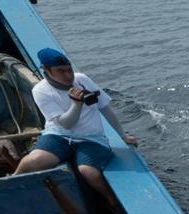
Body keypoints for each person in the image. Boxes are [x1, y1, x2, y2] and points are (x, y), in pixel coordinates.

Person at [13, 47, 137, 196]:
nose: (68, 76)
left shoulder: (82, 80)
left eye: (69, 70)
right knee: (33, 160)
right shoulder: (40, 90)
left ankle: (113, 202)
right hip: (58, 135)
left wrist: (122, 135)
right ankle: (13, 182)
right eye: (61, 71)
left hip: (91, 138)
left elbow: (105, 108)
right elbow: (66, 123)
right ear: (46, 70)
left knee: (89, 172)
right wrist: (76, 105)